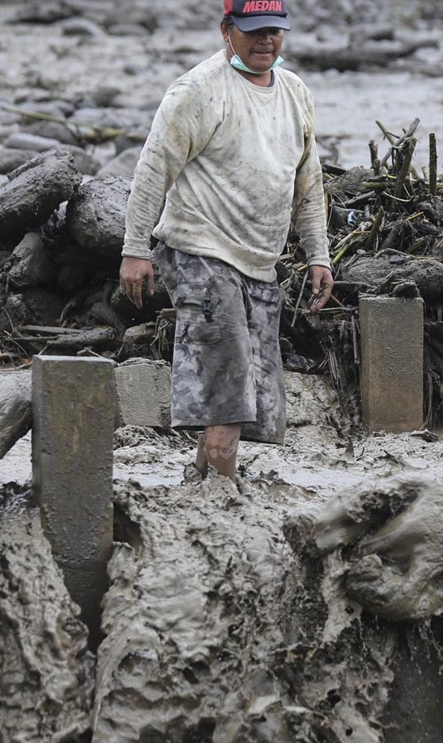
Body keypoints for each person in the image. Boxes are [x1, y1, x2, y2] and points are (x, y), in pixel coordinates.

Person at [119, 0, 332, 479]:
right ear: (226, 29)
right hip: (200, 251)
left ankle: (202, 480)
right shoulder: (197, 91)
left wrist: (318, 254)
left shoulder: (295, 92)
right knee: (230, 377)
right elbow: (153, 172)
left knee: (247, 386)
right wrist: (135, 248)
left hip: (258, 260)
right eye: (253, 31)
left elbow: (308, 182)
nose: (265, 41)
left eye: (274, 31)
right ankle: (224, 489)